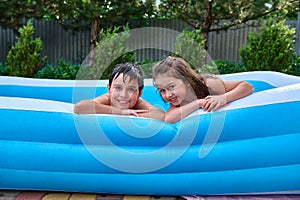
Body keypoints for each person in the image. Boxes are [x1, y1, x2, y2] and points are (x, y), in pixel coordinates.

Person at [152, 56, 254, 124]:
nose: (168, 95)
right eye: (162, 90)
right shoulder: (176, 100)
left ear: (186, 81)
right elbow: (168, 119)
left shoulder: (207, 84)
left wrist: (223, 98)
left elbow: (247, 86)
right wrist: (198, 103)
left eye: (171, 87)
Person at [74, 62, 164, 121]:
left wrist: (131, 116)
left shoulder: (138, 103)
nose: (123, 95)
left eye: (131, 89)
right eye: (118, 88)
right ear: (109, 89)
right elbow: (80, 107)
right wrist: (120, 112)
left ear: (139, 93)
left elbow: (160, 115)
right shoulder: (107, 99)